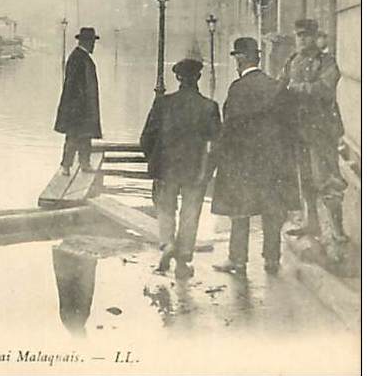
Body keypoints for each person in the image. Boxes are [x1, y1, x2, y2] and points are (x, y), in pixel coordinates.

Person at [211, 37, 299, 276]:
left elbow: (228, 128)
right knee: (271, 209)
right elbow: (289, 125)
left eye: (237, 57)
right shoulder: (274, 86)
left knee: (240, 212)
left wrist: (219, 160)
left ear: (240, 59)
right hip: (272, 161)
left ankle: (237, 260)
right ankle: (272, 259)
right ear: (257, 58)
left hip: (243, 162)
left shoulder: (238, 89)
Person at [140, 59, 221, 279]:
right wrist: (208, 169)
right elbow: (216, 145)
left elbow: (146, 137)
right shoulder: (209, 106)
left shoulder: (163, 103)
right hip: (195, 170)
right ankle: (184, 259)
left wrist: (153, 160)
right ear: (198, 78)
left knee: (165, 208)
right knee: (190, 212)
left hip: (166, 167)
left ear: (178, 78)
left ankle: (167, 243)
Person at [279, 19, 348, 242]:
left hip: (321, 130)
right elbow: (281, 85)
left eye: (306, 35)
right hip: (298, 129)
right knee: (304, 178)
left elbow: (326, 89)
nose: (301, 40)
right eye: (298, 36)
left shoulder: (326, 62)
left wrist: (296, 89)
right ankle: (312, 223)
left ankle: (337, 230)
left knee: (328, 180)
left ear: (315, 37)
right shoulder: (292, 61)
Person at [54, 27, 102, 176]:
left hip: (83, 107)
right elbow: (72, 86)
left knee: (84, 136)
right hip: (77, 108)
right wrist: (79, 105)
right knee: (74, 136)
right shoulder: (77, 58)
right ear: (85, 42)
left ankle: (84, 163)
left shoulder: (82, 57)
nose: (93, 45)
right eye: (92, 42)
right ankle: (66, 166)